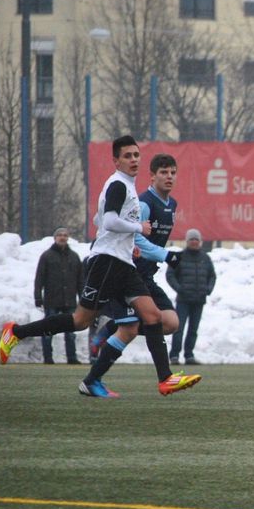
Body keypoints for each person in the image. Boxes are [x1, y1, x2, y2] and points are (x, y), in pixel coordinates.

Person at [0, 136, 200, 396]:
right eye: (127, 156)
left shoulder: (125, 187)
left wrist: (129, 241)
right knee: (81, 320)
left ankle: (165, 379)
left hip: (123, 263)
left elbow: (99, 219)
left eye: (136, 155)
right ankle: (15, 332)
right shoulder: (118, 185)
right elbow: (110, 220)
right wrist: (138, 228)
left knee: (152, 317)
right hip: (107, 262)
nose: (134, 160)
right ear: (116, 160)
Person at [80, 153, 185, 398]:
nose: (169, 176)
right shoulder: (145, 203)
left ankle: (112, 329)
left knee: (170, 322)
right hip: (128, 272)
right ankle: (92, 379)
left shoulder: (172, 205)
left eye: (172, 172)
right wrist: (165, 255)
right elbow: (136, 238)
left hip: (147, 276)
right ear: (152, 176)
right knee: (127, 329)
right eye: (163, 172)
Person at [33, 227, 83, 364]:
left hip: (70, 301)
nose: (63, 237)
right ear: (55, 238)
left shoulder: (74, 256)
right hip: (52, 300)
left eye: (65, 235)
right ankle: (48, 358)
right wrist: (38, 297)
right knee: (48, 330)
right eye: (60, 235)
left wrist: (83, 298)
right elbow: (39, 279)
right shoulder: (46, 256)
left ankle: (72, 358)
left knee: (71, 332)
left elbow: (80, 280)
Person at [167, 229, 217, 364]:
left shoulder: (205, 258)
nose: (194, 242)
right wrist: (179, 289)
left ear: (200, 242)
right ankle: (174, 355)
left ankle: (189, 355)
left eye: (196, 240)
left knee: (193, 330)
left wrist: (208, 289)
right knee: (179, 328)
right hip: (183, 300)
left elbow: (212, 276)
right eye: (191, 240)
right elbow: (170, 275)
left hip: (199, 299)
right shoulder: (178, 256)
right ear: (187, 241)